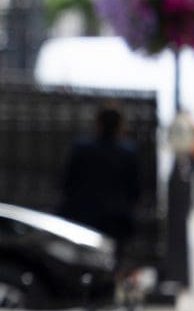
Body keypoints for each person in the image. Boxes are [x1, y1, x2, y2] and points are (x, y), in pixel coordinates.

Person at [58, 106, 141, 270]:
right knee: (111, 264)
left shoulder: (81, 148)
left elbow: (67, 182)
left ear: (98, 123)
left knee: (81, 263)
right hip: (116, 219)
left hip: (82, 215)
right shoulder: (128, 153)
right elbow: (135, 189)